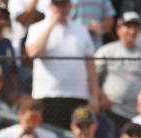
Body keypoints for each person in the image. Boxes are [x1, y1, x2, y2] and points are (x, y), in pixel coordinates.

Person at [24, 0, 101, 130]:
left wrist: (94, 96)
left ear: (70, 6)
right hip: (47, 95)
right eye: (57, 4)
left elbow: (91, 66)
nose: (60, 8)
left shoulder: (81, 30)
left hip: (77, 96)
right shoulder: (36, 28)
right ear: (51, 6)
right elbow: (33, 52)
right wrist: (51, 25)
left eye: (64, 4)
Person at [94, 12, 141, 130]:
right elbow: (92, 78)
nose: (132, 31)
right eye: (128, 26)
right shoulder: (106, 51)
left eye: (135, 27)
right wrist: (102, 97)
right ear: (118, 29)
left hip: (137, 115)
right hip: (111, 111)